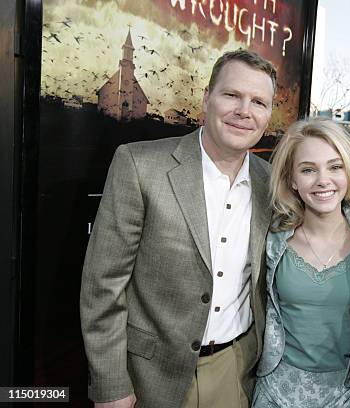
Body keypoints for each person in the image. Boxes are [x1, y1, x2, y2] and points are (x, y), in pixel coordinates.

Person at [80, 49, 276, 408]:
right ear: (207, 98)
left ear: (268, 114)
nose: (244, 111)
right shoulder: (139, 165)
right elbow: (102, 287)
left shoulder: (272, 183)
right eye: (232, 95)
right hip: (149, 377)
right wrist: (111, 386)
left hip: (236, 372)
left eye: (258, 102)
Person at [252, 118, 350, 407]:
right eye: (308, 170)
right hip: (276, 391)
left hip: (345, 393)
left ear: (349, 172)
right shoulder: (271, 238)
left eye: (335, 166)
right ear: (292, 179)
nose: (322, 180)